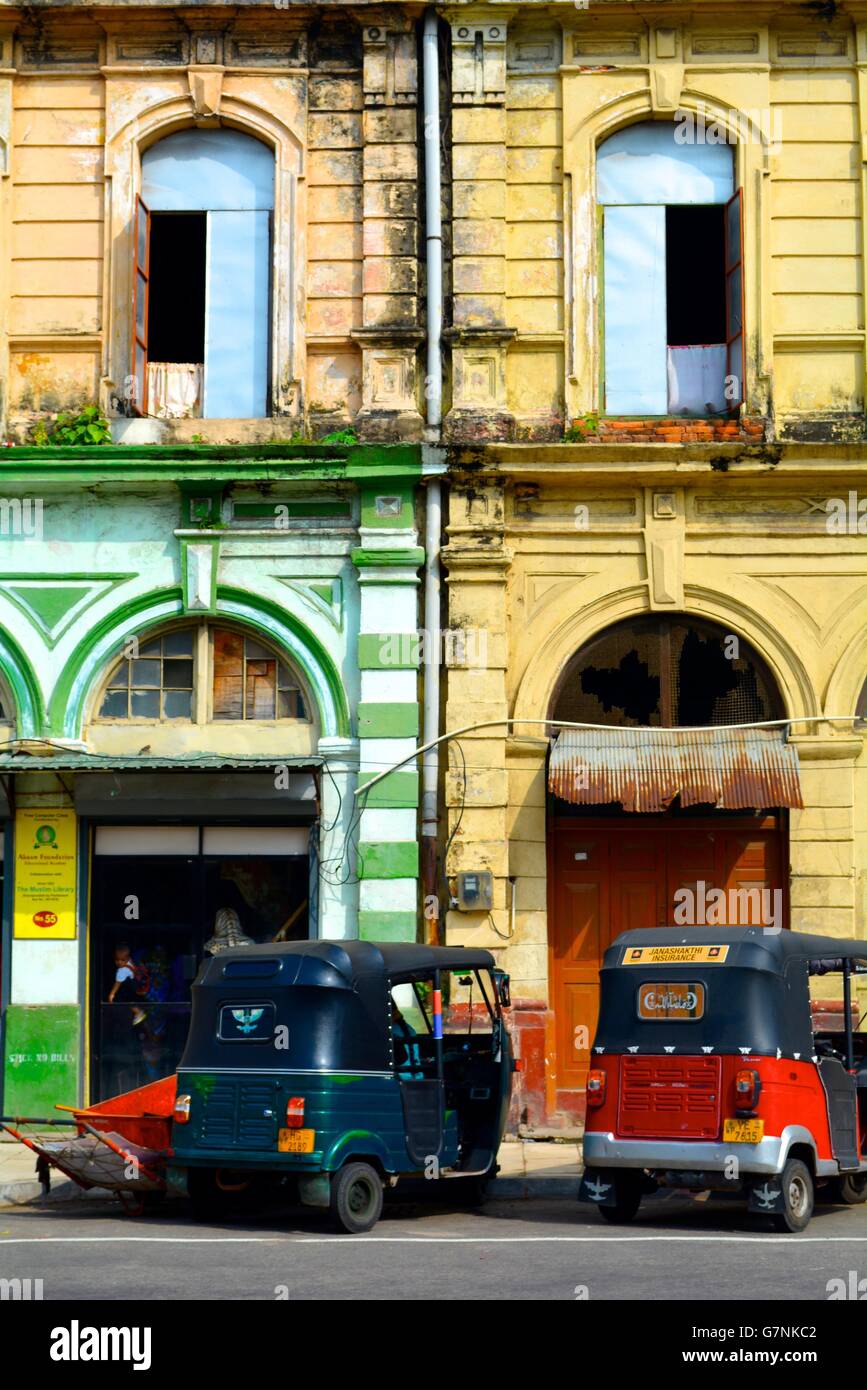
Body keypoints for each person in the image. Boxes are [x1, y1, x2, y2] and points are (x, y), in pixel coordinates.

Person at [391, 999, 424, 1079]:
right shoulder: (409, 1028)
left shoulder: (392, 1032)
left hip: (402, 1079)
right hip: (417, 1076)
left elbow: (401, 1059)